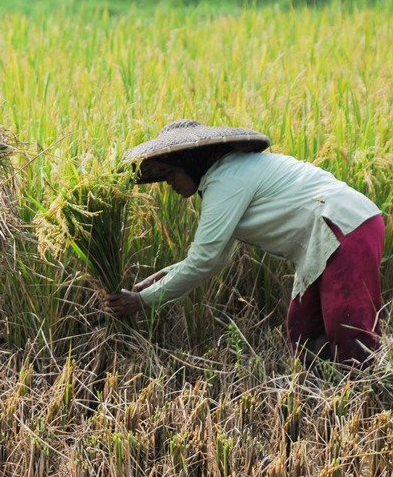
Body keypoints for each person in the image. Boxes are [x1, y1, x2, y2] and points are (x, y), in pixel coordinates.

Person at [105, 119, 385, 368]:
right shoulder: (225, 177)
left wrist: (142, 301)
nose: (169, 183)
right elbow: (215, 256)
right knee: (303, 332)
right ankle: (328, 400)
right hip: (330, 234)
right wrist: (158, 281)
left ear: (188, 163)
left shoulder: (227, 179)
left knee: (350, 335)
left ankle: (367, 405)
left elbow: (203, 261)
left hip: (344, 226)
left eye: (169, 174)